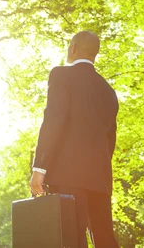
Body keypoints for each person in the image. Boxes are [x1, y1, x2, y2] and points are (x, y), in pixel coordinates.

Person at [29, 31, 119, 248]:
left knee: (71, 239)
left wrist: (39, 168)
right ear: (95, 54)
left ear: (74, 48)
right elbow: (110, 140)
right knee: (105, 239)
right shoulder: (108, 90)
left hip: (68, 176)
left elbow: (54, 120)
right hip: (100, 178)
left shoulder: (61, 75)